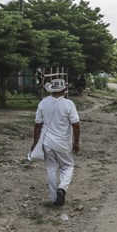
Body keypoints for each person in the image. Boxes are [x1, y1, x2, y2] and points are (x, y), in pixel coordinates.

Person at [28, 77, 80, 206]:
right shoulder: (68, 104)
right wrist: (76, 142)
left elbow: (37, 124)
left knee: (51, 168)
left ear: (51, 90)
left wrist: (35, 143)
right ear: (64, 90)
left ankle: (54, 199)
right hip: (63, 143)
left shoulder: (43, 103)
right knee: (68, 166)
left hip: (47, 142)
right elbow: (76, 124)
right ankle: (62, 189)